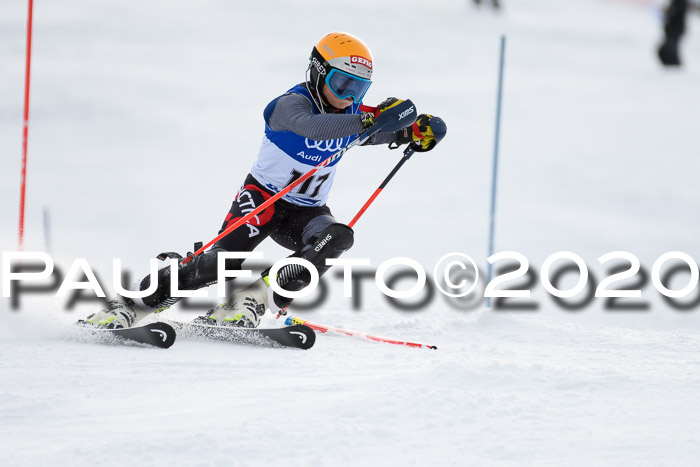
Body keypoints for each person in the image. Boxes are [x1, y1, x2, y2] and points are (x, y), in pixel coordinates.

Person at [81, 31, 446, 329]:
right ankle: (131, 304)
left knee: (336, 238)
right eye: (342, 84)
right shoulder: (289, 106)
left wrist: (416, 130)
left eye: (359, 89)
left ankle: (249, 299)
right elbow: (313, 128)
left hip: (306, 211)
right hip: (261, 201)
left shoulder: (351, 115)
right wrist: (372, 120)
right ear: (318, 72)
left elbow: (386, 130)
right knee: (216, 265)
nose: (349, 97)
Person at [658, 0, 688, 66]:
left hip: (675, 29)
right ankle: (672, 64)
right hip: (673, 29)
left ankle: (673, 64)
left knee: (671, 49)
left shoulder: (680, 2)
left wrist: (668, 11)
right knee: (669, 49)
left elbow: (676, 12)